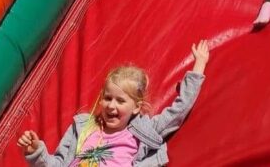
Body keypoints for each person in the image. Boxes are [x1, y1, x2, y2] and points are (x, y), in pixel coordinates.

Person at [18, 41, 210, 167]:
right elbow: (58, 164)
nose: (111, 105)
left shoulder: (143, 131)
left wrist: (198, 66)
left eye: (120, 101)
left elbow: (177, 112)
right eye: (108, 98)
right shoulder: (83, 126)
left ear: (136, 107)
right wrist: (37, 152)